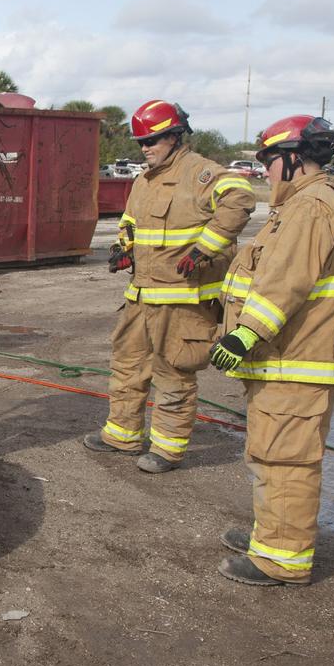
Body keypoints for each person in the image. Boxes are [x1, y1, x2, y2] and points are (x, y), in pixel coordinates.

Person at [209, 115, 334, 586]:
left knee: (286, 459)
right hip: (283, 359)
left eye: (269, 161)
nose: (265, 172)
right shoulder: (298, 207)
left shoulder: (312, 208)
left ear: (293, 159)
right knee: (270, 452)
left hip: (296, 361)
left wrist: (244, 334)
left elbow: (286, 283)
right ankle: (269, 535)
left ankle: (281, 559)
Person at [84, 99, 256, 473]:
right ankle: (122, 435)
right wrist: (122, 249)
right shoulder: (144, 181)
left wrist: (205, 249)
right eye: (142, 142)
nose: (146, 148)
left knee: (173, 373)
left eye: (155, 140)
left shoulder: (202, 173)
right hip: (141, 296)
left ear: (177, 137)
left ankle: (168, 449)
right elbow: (130, 221)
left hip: (182, 300)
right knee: (128, 365)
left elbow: (241, 199)